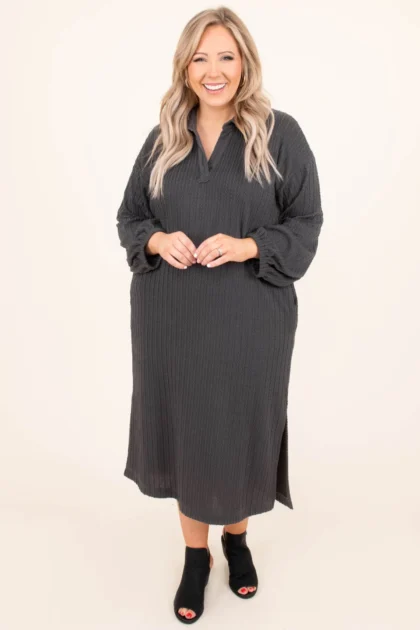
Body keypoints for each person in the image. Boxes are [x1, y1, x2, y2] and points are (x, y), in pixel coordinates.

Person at [116, 6, 323, 624]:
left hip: (249, 319)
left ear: (245, 63)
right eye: (200, 57)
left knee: (236, 425)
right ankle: (195, 556)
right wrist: (158, 240)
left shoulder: (279, 133)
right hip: (172, 321)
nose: (214, 70)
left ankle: (236, 540)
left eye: (226, 56)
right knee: (186, 429)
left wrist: (248, 245)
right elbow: (130, 217)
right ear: (184, 67)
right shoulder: (163, 138)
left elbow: (306, 221)